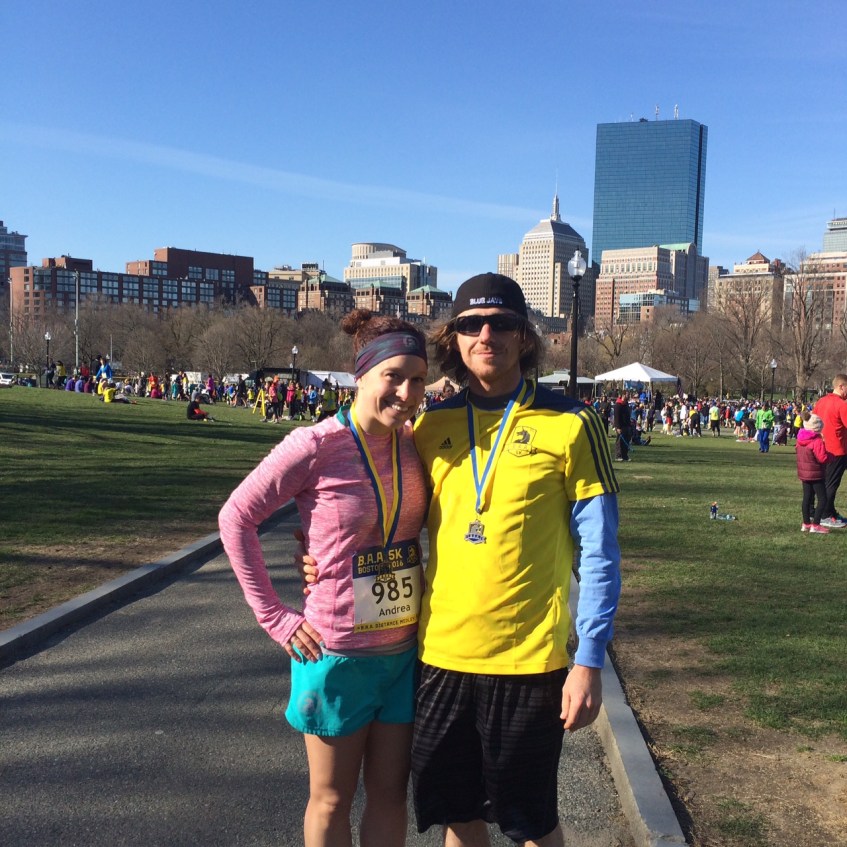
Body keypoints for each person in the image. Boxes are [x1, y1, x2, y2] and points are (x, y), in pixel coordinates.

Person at [413, 274, 619, 846]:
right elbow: (387, 525)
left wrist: (590, 659)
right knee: (459, 816)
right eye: (471, 324)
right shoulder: (429, 426)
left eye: (502, 323)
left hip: (528, 663)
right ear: (453, 338)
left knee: (531, 823)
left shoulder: (573, 423)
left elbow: (600, 552)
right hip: (440, 656)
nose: (487, 335)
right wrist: (320, 558)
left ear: (525, 336)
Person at [219, 310, 430, 847]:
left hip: (403, 652)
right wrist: (275, 617)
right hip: (336, 653)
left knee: (391, 796)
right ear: (361, 374)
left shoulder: (413, 442)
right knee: (331, 798)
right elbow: (236, 517)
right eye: (393, 376)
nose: (407, 393)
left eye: (418, 380)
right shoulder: (314, 445)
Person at [812, 374, 847, 528]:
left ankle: (829, 511)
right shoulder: (841, 404)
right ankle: (825, 515)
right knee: (831, 484)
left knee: (825, 482)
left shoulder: (821, 401)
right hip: (837, 450)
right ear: (841, 386)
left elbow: (813, 421)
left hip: (821, 448)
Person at [796, 413, 833, 533]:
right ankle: (816, 524)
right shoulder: (816, 441)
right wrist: (831, 456)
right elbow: (822, 458)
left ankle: (806, 523)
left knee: (807, 498)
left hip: (804, 473)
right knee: (823, 499)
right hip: (816, 474)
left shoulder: (800, 440)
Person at [613, 390, 632, 461]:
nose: (629, 396)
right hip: (620, 426)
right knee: (619, 441)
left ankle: (625, 456)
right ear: (623, 395)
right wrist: (618, 427)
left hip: (627, 425)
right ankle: (618, 456)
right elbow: (616, 417)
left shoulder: (626, 404)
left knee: (626, 441)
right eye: (627, 394)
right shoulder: (618, 405)